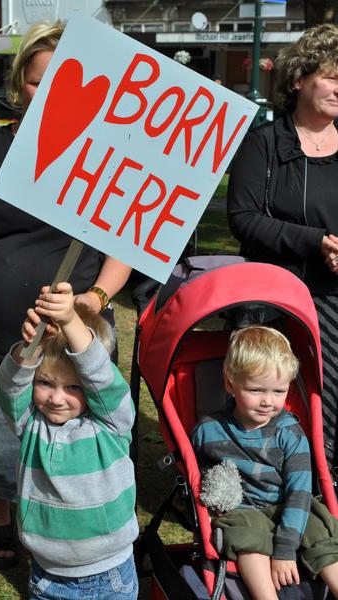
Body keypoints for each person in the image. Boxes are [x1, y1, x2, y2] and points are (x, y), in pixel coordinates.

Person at [0, 21, 131, 569]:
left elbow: (125, 244)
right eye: (36, 83)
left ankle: (75, 530)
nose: (47, 97)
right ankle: (1, 521)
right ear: (18, 81)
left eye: (62, 84)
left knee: (79, 442)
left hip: (74, 342)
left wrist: (92, 301)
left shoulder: (109, 158)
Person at [227, 23, 338, 486]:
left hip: (333, 300)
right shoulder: (264, 143)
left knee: (330, 401)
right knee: (268, 399)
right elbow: (243, 217)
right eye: (332, 76)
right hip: (271, 299)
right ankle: (264, 490)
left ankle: (326, 487)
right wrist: (315, 241)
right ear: (298, 81)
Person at [0, 281, 138, 599]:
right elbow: (9, 387)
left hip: (108, 575)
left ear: (89, 385)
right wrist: (29, 348)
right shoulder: (29, 422)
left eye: (74, 387)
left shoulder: (111, 423)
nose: (57, 398)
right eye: (45, 382)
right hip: (45, 574)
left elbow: (101, 374)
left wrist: (72, 321)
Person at [192, 326, 338, 599]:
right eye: (256, 390)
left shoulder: (289, 433)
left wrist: (284, 549)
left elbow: (299, 491)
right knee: (246, 536)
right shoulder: (208, 430)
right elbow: (199, 472)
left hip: (287, 504)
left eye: (279, 391)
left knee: (319, 527)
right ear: (229, 383)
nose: (268, 402)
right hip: (242, 509)